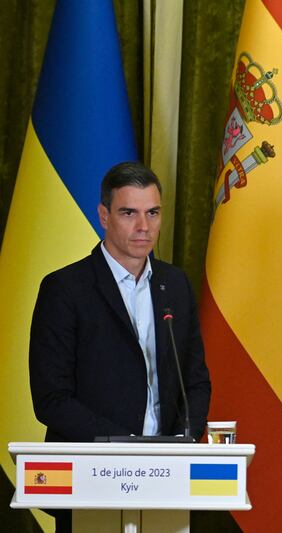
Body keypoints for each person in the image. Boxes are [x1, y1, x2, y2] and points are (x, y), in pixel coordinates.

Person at [29, 161, 211, 444]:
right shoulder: (65, 289)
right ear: (104, 216)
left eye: (152, 213)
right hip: (91, 459)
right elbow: (51, 398)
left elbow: (195, 381)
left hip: (167, 459)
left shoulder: (176, 285)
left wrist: (179, 442)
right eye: (129, 213)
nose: (143, 227)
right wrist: (125, 446)